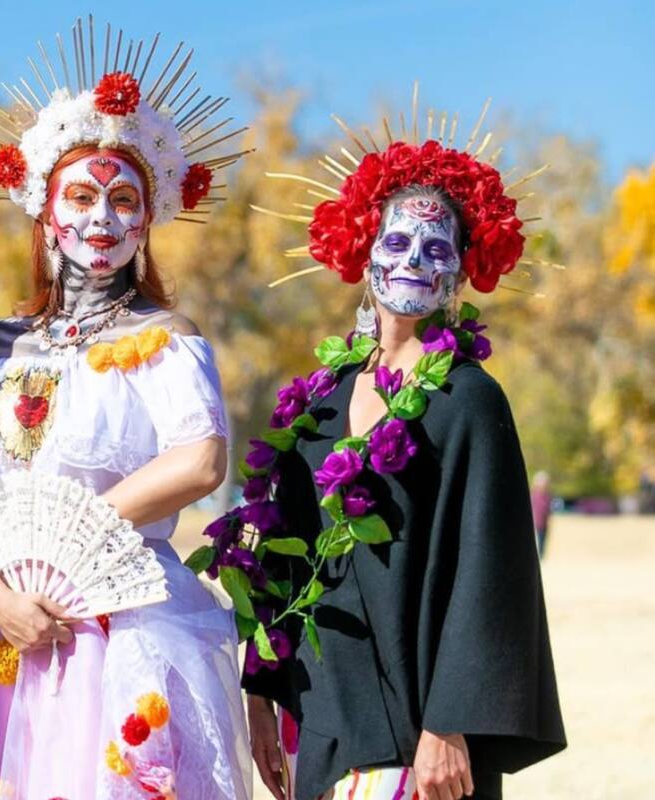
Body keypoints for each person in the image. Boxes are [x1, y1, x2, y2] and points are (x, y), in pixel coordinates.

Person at [0, 20, 254, 799]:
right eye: (81, 196)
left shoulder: (164, 338)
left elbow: (202, 459)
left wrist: (80, 545)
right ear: (45, 214)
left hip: (104, 628)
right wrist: (0, 598)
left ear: (146, 222)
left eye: (123, 200)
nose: (102, 218)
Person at [214, 91, 567, 800]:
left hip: (420, 733)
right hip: (321, 722)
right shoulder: (317, 405)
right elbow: (284, 556)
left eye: (436, 249)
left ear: (460, 270)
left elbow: (490, 572)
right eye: (397, 243)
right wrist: (261, 695)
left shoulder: (469, 401)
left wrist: (450, 724)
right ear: (365, 251)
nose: (413, 262)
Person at [531, 471, 553, 557]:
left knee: (542, 543)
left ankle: (541, 557)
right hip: (534, 524)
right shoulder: (533, 495)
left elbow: (548, 510)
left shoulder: (547, 496)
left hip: (543, 523)